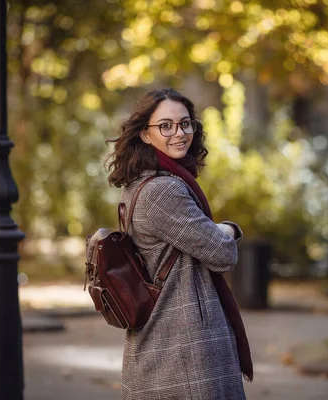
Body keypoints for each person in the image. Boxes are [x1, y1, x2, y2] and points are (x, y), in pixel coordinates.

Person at [105, 88, 253, 399]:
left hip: (165, 341)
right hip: (181, 348)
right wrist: (227, 229)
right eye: (165, 126)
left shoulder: (142, 183)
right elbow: (222, 254)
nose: (179, 133)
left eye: (185, 124)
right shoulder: (162, 192)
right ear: (145, 134)